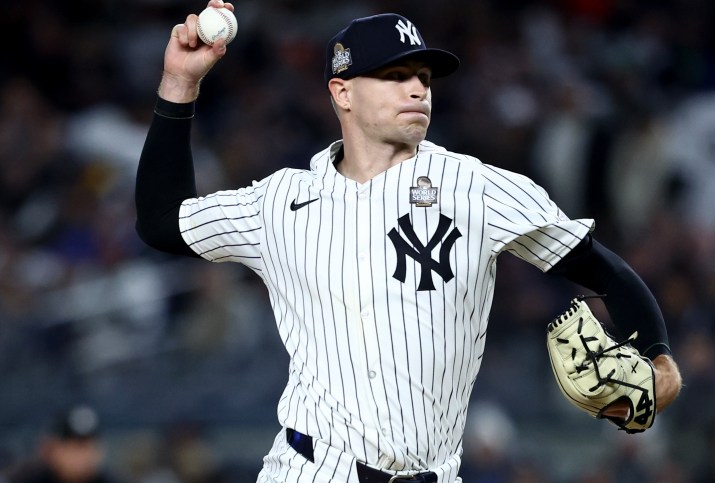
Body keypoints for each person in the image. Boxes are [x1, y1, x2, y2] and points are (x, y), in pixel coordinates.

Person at [135, 2, 683, 481]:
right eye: (395, 75)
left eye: (423, 74)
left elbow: (602, 270)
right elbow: (161, 221)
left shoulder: (478, 188)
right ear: (342, 92)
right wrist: (180, 85)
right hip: (311, 470)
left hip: (435, 474)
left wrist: (658, 359)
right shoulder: (280, 203)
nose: (418, 87)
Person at [5, 405, 120, 483]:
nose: (81, 456)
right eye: (73, 446)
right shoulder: (26, 478)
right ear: (55, 447)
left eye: (86, 446)